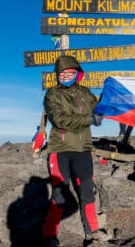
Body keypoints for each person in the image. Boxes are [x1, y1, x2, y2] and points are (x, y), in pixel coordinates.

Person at [42, 55, 109, 247]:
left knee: (88, 191)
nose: (66, 75)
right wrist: (90, 119)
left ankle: (93, 231)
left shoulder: (85, 93)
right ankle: (49, 236)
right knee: (59, 195)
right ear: (57, 75)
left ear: (77, 74)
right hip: (60, 149)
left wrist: (106, 102)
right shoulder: (52, 94)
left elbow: (98, 110)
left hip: (83, 150)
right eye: (62, 73)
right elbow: (60, 120)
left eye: (70, 72)